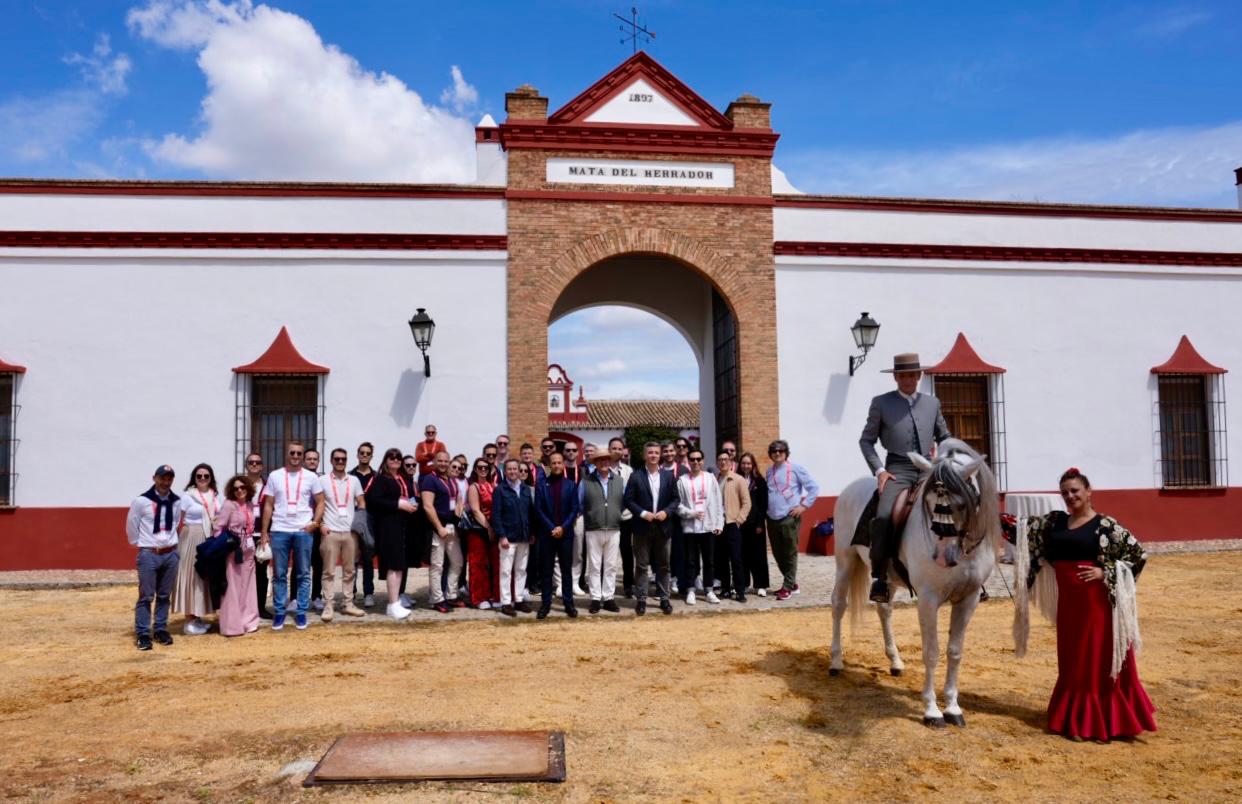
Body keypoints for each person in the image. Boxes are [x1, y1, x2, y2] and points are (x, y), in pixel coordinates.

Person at [1020, 468, 1156, 741]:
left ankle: (1097, 722)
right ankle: (1076, 718)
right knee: (1072, 659)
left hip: (1097, 605)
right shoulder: (1055, 522)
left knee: (1093, 657)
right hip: (1070, 606)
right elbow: (1023, 530)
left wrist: (1105, 572)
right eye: (1065, 493)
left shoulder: (1106, 525)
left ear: (1088, 491)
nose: (1070, 497)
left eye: (1075, 491)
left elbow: (1137, 555)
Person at [860, 352, 951, 603]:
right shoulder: (881, 403)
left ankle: (963, 570)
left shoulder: (932, 403)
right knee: (885, 515)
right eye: (903, 375)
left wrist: (946, 459)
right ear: (896, 377)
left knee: (954, 506)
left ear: (919, 376)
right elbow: (866, 441)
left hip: (928, 469)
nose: (908, 379)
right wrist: (879, 471)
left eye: (912, 374)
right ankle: (880, 576)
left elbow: (944, 437)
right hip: (897, 469)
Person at [259, 441, 325, 630]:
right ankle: (280, 611)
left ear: (303, 456)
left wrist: (315, 522)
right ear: (286, 455)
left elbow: (321, 501)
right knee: (279, 573)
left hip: (303, 531)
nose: (295, 456)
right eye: (292, 453)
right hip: (280, 530)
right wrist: (265, 532)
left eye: (299, 454)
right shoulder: (275, 476)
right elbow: (269, 505)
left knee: (303, 573)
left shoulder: (311, 477)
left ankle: (301, 611)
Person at [126, 465, 181, 650]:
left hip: (170, 553)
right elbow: (132, 525)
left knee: (165, 595)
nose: (165, 482)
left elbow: (175, 523)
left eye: (169, 479)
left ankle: (160, 628)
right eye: (162, 478)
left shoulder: (176, 501)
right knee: (146, 595)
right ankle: (143, 632)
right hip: (150, 553)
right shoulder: (141, 501)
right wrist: (143, 544)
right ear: (154, 478)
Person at [623, 442, 679, 616]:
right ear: (644, 455)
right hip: (642, 526)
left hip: (663, 526)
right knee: (641, 565)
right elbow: (628, 500)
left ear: (660, 455)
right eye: (650, 453)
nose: (653, 455)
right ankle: (641, 599)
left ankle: (664, 598)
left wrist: (666, 512)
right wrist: (642, 513)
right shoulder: (636, 476)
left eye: (656, 452)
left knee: (664, 565)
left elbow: (676, 500)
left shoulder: (669, 476)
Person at [364, 447, 418, 620]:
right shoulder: (381, 479)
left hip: (402, 525)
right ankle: (393, 603)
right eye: (392, 457)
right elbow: (373, 500)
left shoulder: (402, 478)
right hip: (388, 526)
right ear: (386, 460)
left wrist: (410, 504)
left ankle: (394, 603)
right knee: (394, 565)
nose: (395, 460)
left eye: (398, 457)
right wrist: (397, 504)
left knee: (400, 565)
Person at [765, 439, 819, 602]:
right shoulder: (769, 471)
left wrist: (803, 506)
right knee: (777, 553)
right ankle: (793, 584)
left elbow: (813, 488)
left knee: (790, 553)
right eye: (774, 451)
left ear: (786, 453)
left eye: (780, 451)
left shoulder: (796, 468)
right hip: (772, 517)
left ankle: (787, 586)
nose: (777, 453)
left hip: (789, 517)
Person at [318, 448, 367, 621]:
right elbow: (318, 504)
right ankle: (328, 605)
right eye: (337, 459)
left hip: (350, 532)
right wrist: (320, 524)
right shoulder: (322, 480)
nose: (340, 462)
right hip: (330, 531)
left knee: (349, 570)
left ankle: (348, 603)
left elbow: (361, 502)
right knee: (328, 571)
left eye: (343, 459)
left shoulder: (353, 480)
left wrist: (358, 522)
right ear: (331, 461)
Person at [172, 462, 219, 635]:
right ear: (194, 478)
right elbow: (179, 520)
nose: (202, 479)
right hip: (191, 536)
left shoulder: (213, 495)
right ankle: (188, 621)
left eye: (206, 476)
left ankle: (197, 617)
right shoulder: (187, 496)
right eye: (199, 476)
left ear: (211, 478)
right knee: (190, 576)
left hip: (207, 537)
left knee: (201, 578)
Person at [534, 451, 581, 619]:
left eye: (559, 463)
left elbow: (574, 509)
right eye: (553, 463)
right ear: (549, 465)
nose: (556, 466)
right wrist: (552, 527)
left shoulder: (571, 485)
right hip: (547, 535)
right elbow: (538, 510)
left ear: (563, 464)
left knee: (566, 570)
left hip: (565, 534)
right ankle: (546, 604)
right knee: (546, 571)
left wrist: (563, 527)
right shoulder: (541, 485)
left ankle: (569, 603)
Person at [214, 474, 260, 636]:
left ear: (248, 488)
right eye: (236, 488)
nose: (239, 490)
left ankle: (248, 621)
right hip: (233, 550)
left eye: (242, 487)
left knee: (248, 586)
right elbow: (218, 527)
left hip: (248, 549)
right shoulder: (229, 505)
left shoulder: (250, 505)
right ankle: (232, 625)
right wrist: (224, 544)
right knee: (232, 588)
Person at [579, 446, 623, 613]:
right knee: (595, 565)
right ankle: (596, 598)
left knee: (611, 565)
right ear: (595, 463)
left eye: (606, 459)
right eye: (600, 460)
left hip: (613, 527)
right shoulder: (586, 481)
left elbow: (623, 502)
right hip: (593, 528)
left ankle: (609, 597)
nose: (604, 462)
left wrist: (616, 514)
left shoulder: (619, 481)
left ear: (610, 461)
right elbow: (580, 503)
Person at [420, 450, 464, 613]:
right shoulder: (429, 480)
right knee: (437, 565)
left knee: (457, 562)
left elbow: (458, 500)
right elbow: (427, 506)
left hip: (452, 527)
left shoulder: (452, 480)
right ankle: (437, 599)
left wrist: (458, 516)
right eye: (441, 461)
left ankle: (451, 595)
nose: (444, 464)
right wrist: (439, 527)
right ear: (435, 462)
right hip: (437, 528)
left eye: (446, 461)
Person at [677, 448, 723, 605]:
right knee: (690, 560)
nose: (695, 462)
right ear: (688, 461)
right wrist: (691, 513)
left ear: (702, 461)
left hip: (708, 526)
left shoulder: (710, 478)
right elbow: (678, 505)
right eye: (692, 459)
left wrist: (719, 523)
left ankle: (709, 590)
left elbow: (718, 502)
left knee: (709, 560)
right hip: (690, 527)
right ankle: (691, 590)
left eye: (698, 459)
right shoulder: (682, 480)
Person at [492, 458, 535, 616]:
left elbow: (530, 513)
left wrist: (531, 533)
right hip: (508, 539)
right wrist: (501, 536)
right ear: (505, 471)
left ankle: (518, 600)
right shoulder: (500, 490)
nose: (512, 472)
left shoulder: (525, 489)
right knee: (506, 572)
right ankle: (505, 602)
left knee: (521, 570)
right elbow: (496, 516)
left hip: (524, 537)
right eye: (509, 469)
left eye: (515, 469)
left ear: (519, 470)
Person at [716, 450, 751, 602]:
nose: (723, 462)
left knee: (736, 560)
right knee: (722, 559)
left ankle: (740, 591)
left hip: (732, 525)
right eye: (720, 459)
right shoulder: (715, 479)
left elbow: (747, 503)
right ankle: (725, 589)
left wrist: (739, 520)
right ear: (717, 463)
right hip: (719, 525)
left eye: (725, 459)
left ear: (730, 463)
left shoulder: (738, 479)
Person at [465, 457, 500, 609]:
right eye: (480, 467)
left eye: (486, 467)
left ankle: (491, 594)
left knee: (493, 563)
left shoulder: (492, 485)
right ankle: (478, 598)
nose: (483, 470)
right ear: (475, 469)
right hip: (478, 530)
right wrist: (488, 528)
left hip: (492, 528)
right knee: (478, 564)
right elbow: (475, 510)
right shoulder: (474, 487)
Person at [737, 452, 770, 597]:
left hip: (756, 524)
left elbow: (763, 505)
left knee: (759, 555)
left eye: (748, 463)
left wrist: (759, 524)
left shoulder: (760, 481)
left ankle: (761, 584)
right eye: (743, 463)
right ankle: (744, 584)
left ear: (753, 465)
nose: (746, 466)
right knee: (742, 555)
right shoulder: (736, 480)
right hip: (740, 523)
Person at [243, 452, 272, 618]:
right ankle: (245, 607)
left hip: (262, 535)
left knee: (261, 573)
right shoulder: (240, 485)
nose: (254, 465)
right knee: (243, 573)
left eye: (257, 462)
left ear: (262, 466)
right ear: (246, 465)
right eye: (251, 462)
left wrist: (267, 532)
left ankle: (260, 608)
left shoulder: (268, 486)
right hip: (243, 536)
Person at [557, 441, 587, 598]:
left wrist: (578, 511)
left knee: (578, 551)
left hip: (578, 515)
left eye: (574, 450)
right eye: (567, 450)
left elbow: (586, 494)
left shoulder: (583, 471)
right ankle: (560, 583)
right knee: (558, 551)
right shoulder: (557, 470)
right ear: (563, 452)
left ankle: (575, 582)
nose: (570, 452)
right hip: (559, 515)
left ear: (578, 452)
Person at [349, 442, 377, 607]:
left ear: (371, 456)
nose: (365, 455)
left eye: (368, 453)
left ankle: (368, 593)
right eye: (362, 453)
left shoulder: (377, 476)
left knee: (368, 558)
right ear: (358, 454)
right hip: (352, 520)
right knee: (351, 558)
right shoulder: (350, 476)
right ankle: (350, 592)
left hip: (370, 520)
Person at [608, 437, 636, 596]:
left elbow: (631, 493)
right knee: (608, 555)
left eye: (620, 448)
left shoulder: (628, 470)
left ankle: (628, 585)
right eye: (614, 448)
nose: (617, 451)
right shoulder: (601, 468)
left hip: (626, 516)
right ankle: (606, 587)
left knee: (626, 552)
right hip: (608, 517)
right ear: (609, 449)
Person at [302, 449, 326, 612]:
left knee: (318, 563)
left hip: (318, 526)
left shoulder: (323, 480)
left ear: (318, 462)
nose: (312, 461)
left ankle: (316, 596)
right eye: (309, 459)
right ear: (304, 461)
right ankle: (296, 598)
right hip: (301, 526)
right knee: (300, 564)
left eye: (315, 459)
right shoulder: (299, 478)